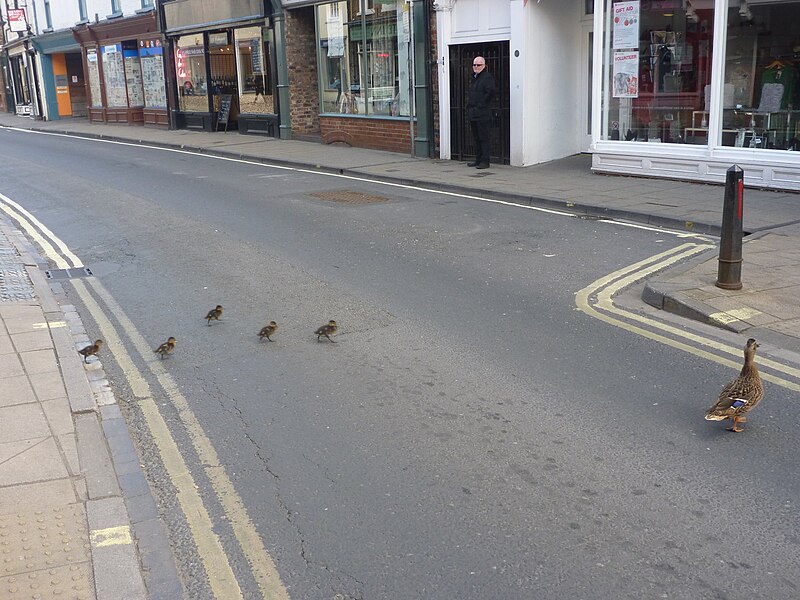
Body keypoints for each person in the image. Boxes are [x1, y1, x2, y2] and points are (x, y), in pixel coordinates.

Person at [466, 56, 495, 169]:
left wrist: (480, 105)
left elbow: (490, 93)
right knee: (476, 138)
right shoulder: (474, 78)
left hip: (483, 114)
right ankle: (478, 160)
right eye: (474, 65)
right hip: (473, 113)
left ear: (484, 66)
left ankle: (485, 161)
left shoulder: (487, 78)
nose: (476, 67)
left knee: (484, 138)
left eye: (478, 65)